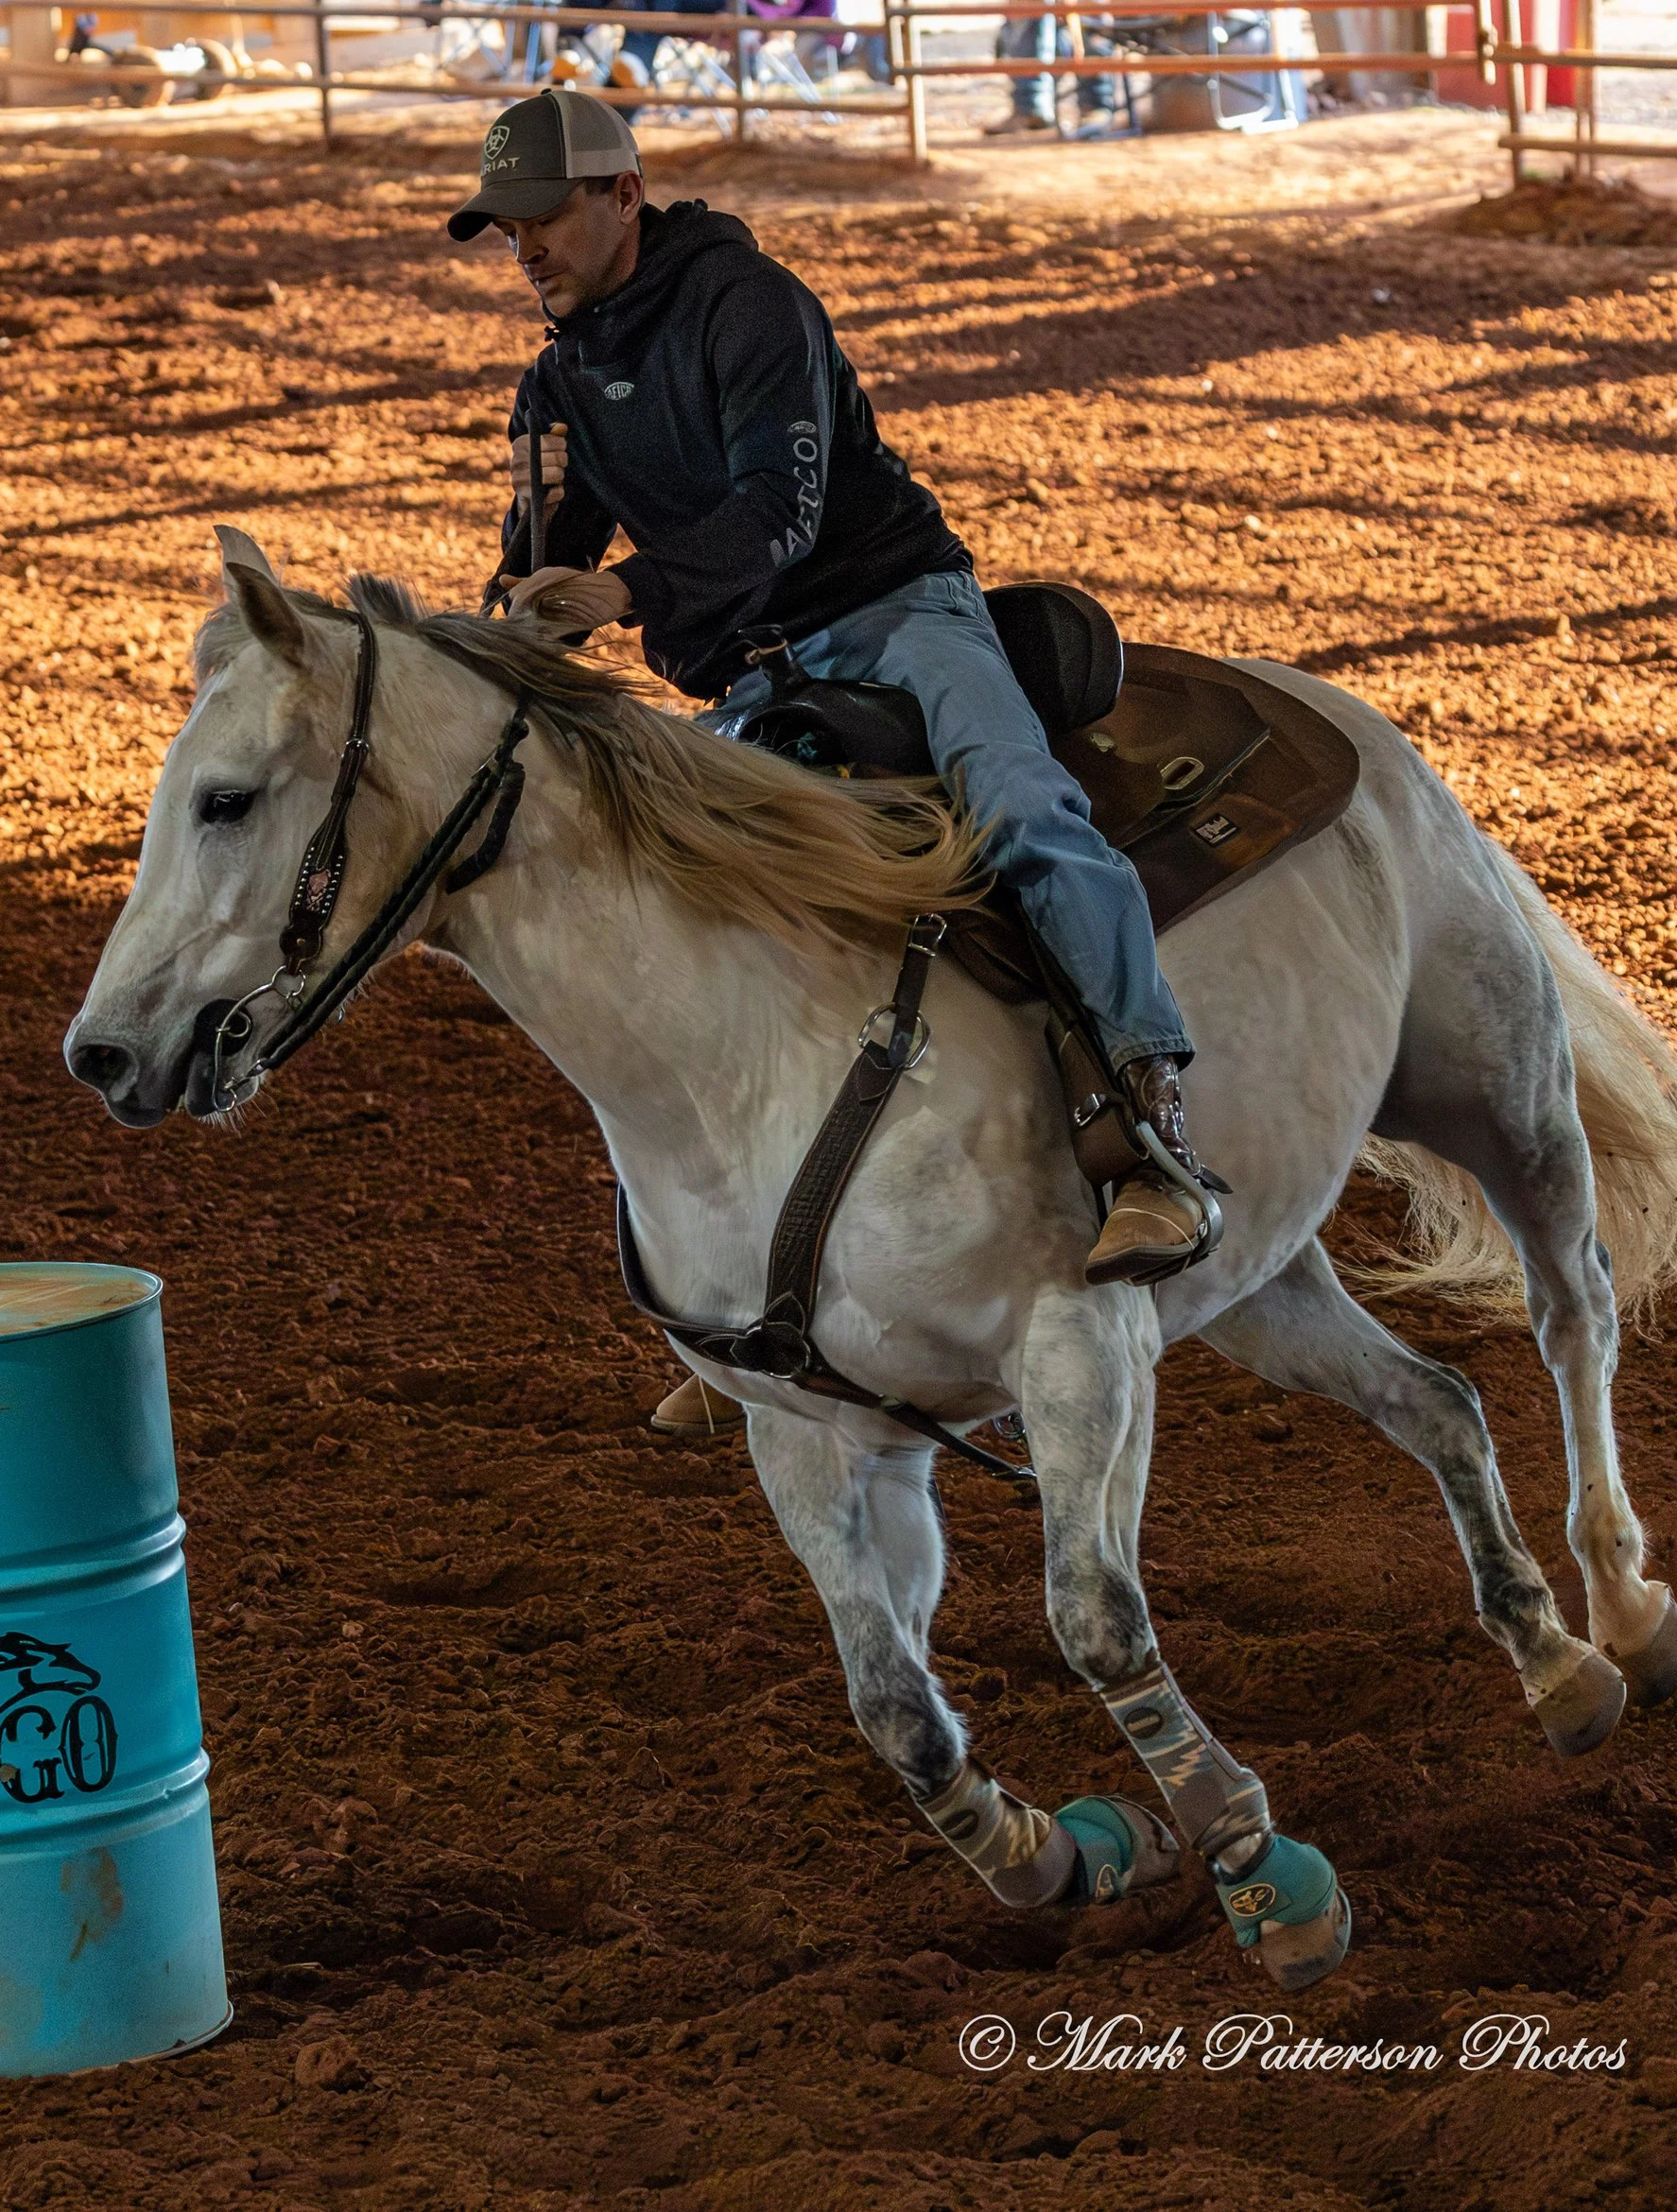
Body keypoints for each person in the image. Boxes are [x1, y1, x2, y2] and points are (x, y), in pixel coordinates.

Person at [445, 89, 1218, 1439]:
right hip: (758, 668)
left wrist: (619, 598)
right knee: (687, 905)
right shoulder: (559, 381)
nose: (523, 249)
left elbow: (782, 513)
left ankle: (1152, 1130)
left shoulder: (752, 304)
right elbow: (537, 548)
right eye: (505, 227)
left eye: (542, 216)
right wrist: (510, 611)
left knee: (1024, 811)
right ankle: (745, 1260)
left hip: (898, 614)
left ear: (625, 193)